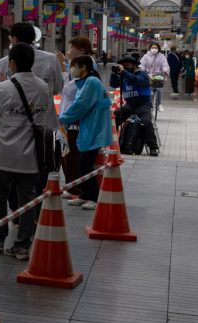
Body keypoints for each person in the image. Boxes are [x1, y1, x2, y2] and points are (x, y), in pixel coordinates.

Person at [0, 43, 60, 259]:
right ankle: (22, 244)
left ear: (11, 63)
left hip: (2, 154)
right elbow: (46, 119)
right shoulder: (43, 88)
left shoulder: (1, 88)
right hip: (31, 155)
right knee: (28, 200)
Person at [57, 55, 112, 210]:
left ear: (84, 68)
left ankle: (93, 197)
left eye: (74, 66)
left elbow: (81, 105)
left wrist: (63, 118)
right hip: (89, 126)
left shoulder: (91, 82)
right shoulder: (86, 82)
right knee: (83, 162)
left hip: (94, 127)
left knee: (85, 164)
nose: (72, 69)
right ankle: (84, 195)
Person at [57, 35, 93, 201]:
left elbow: (71, 91)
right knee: (66, 153)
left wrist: (64, 67)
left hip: (74, 120)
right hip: (67, 116)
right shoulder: (74, 66)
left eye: (72, 48)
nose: (69, 51)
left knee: (72, 155)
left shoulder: (87, 69)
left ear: (82, 50)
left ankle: (76, 188)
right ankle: (71, 186)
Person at [0, 22, 64, 95]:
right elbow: (58, 88)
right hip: (45, 101)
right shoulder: (51, 59)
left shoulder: (3, 62)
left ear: (14, 39)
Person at [110, 55, 159, 155]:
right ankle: (112, 142)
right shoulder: (123, 75)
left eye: (127, 65)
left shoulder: (142, 74)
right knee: (114, 117)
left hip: (143, 105)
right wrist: (114, 74)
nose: (125, 67)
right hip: (129, 105)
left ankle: (153, 146)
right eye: (123, 65)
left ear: (134, 65)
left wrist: (124, 72)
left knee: (146, 122)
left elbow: (138, 81)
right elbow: (113, 84)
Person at [139, 42, 169, 112]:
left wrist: (165, 70)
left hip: (158, 76)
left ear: (158, 48)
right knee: (149, 92)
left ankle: (158, 104)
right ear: (150, 48)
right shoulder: (146, 56)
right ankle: (148, 105)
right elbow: (141, 64)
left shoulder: (162, 56)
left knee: (159, 90)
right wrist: (141, 70)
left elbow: (165, 65)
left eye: (156, 48)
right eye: (152, 47)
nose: (154, 49)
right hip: (148, 75)